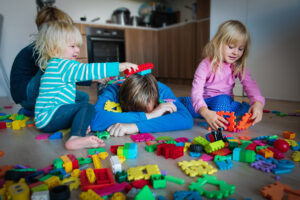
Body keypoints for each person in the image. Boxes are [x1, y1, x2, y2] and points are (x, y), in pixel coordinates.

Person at [34, 21, 137, 150]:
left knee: (82, 98)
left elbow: (81, 76)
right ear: (55, 48)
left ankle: (78, 124)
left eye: (78, 45)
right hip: (49, 117)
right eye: (72, 46)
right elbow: (87, 70)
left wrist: (98, 79)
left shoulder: (57, 65)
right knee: (87, 107)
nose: (77, 49)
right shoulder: (61, 64)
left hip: (51, 115)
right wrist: (119, 66)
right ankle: (75, 138)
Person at [186, 20, 265, 130]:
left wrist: (258, 103)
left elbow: (250, 85)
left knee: (221, 106)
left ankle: (240, 108)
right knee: (185, 104)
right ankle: (210, 114)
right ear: (218, 43)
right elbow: (196, 90)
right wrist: (204, 111)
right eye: (231, 47)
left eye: (240, 49)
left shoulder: (238, 66)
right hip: (204, 100)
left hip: (222, 99)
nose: (235, 52)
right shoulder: (205, 64)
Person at [10, 6, 74, 112]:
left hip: (25, 95)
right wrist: (94, 78)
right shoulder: (40, 48)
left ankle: (35, 109)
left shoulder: (40, 47)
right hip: (26, 95)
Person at [90, 74, 194, 136]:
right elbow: (94, 120)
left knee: (180, 106)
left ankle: (181, 101)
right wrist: (150, 115)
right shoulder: (112, 90)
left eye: (149, 110)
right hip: (110, 84)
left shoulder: (161, 90)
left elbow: (186, 119)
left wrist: (135, 127)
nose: (146, 114)